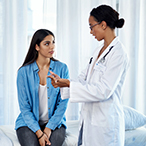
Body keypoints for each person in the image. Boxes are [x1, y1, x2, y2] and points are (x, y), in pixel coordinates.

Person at [48, 4, 129, 146]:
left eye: (91, 26)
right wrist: (63, 82)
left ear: (103, 25)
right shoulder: (97, 51)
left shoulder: (119, 53)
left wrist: (68, 84)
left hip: (106, 123)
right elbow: (83, 79)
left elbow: (103, 90)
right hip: (91, 120)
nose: (91, 32)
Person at [15, 29, 69, 146]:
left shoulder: (62, 68)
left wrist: (49, 128)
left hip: (55, 123)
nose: (52, 47)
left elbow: (63, 103)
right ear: (37, 47)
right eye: (47, 43)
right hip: (28, 123)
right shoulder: (23, 72)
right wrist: (39, 133)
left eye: (53, 42)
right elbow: (25, 108)